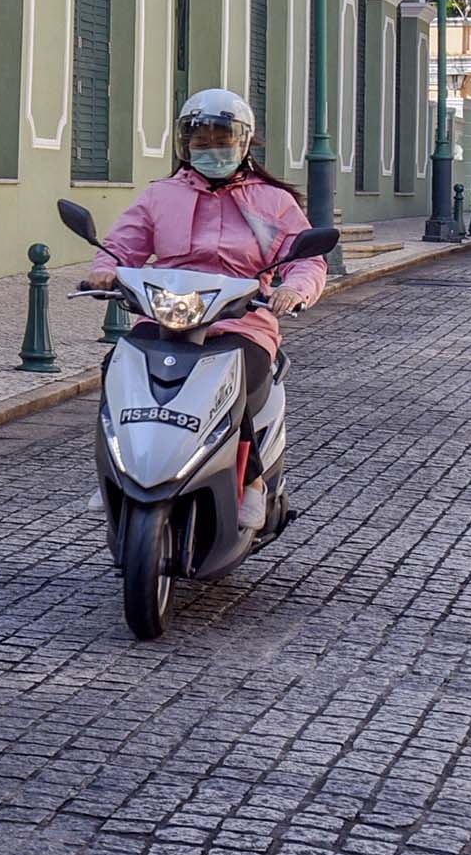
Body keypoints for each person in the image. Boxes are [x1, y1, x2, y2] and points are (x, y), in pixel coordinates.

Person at [77, 86, 327, 530]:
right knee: (117, 365)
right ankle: (119, 468)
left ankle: (251, 482)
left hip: (240, 320)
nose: (211, 149)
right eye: (201, 141)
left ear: (243, 142)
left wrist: (295, 289)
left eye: (221, 140)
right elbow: (121, 246)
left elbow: (305, 256)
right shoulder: (160, 196)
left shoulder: (273, 202)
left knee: (244, 377)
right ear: (185, 144)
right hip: (165, 314)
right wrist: (105, 271)